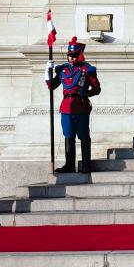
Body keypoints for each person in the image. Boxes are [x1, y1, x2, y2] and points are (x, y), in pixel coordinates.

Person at [46, 36, 100, 173]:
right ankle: (69, 165)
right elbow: (52, 86)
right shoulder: (63, 70)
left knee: (83, 135)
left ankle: (86, 164)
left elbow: (97, 89)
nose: (72, 58)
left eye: (75, 55)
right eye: (70, 55)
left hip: (81, 106)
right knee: (68, 135)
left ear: (80, 54)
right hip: (66, 107)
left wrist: (87, 93)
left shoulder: (87, 70)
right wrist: (46, 72)